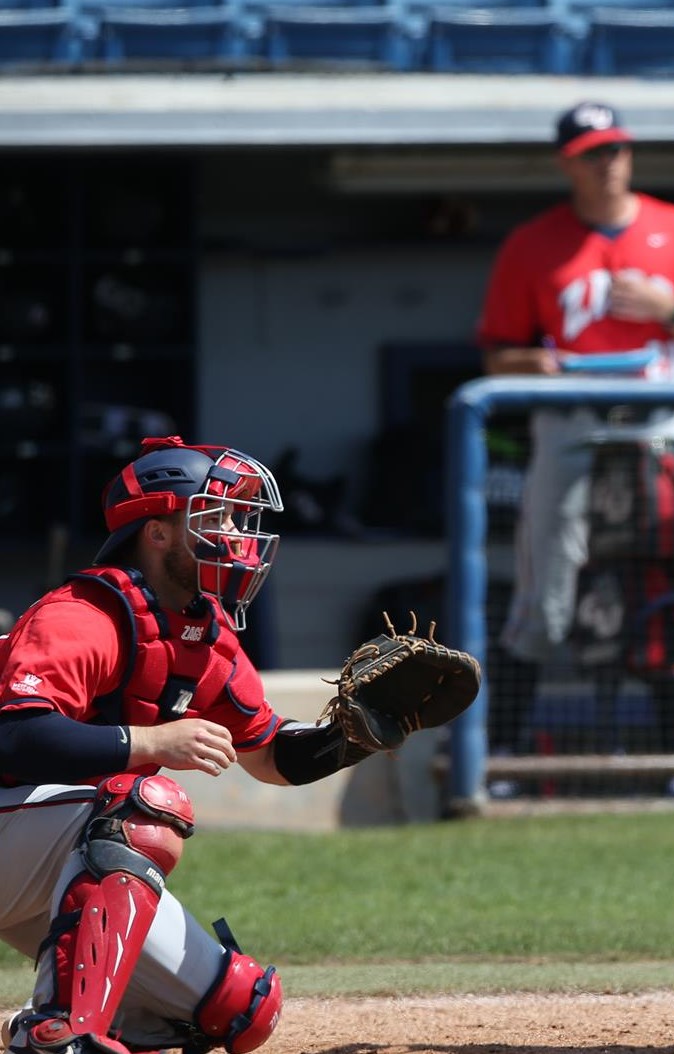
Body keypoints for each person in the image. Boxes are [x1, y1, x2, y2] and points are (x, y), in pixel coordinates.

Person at [0, 439, 401, 1054]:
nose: (237, 536)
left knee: (240, 1009)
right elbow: (15, 737)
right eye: (218, 517)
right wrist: (150, 740)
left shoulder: (202, 635)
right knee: (143, 805)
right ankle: (60, 1033)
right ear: (157, 532)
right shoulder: (83, 614)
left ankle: (61, 1022)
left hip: (42, 856)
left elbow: (272, 757)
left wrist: (360, 735)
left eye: (238, 520)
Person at [474, 101, 674, 758]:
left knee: (668, 580)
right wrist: (532, 363)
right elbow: (495, 355)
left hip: (660, 420)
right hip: (572, 420)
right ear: (567, 163)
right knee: (547, 593)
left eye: (615, 149)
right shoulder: (533, 243)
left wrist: (669, 310)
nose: (608, 163)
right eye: (592, 153)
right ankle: (503, 754)